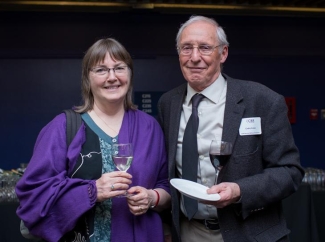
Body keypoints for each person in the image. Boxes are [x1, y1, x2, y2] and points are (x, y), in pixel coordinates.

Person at [157, 15, 304, 242]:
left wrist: (239, 191)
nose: (194, 57)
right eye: (186, 48)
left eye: (205, 48)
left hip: (249, 233)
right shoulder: (168, 104)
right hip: (187, 232)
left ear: (223, 53)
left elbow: (289, 172)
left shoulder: (262, 100)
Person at [16, 38, 171, 242]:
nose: (112, 77)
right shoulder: (62, 127)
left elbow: (166, 186)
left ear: (130, 75)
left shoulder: (150, 127)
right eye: (101, 70)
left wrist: (152, 198)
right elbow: (33, 196)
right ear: (87, 79)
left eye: (119, 68)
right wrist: (92, 191)